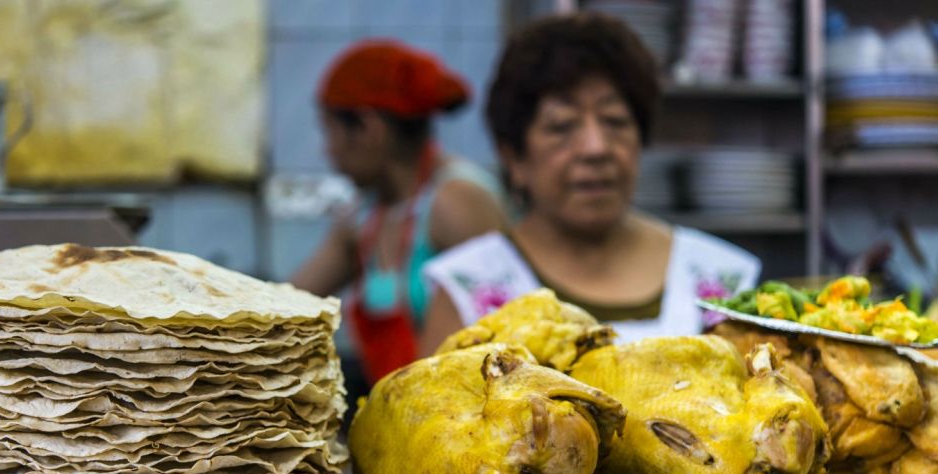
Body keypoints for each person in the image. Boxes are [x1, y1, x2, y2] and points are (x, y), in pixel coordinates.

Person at [420, 13, 762, 352]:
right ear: (514, 158)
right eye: (562, 126)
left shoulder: (723, 282)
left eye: (615, 121)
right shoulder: (468, 289)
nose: (596, 148)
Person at [291, 40, 507, 383]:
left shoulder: (457, 201)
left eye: (330, 132)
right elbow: (288, 301)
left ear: (368, 127)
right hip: (397, 409)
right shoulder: (364, 216)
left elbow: (504, 336)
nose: (327, 152)